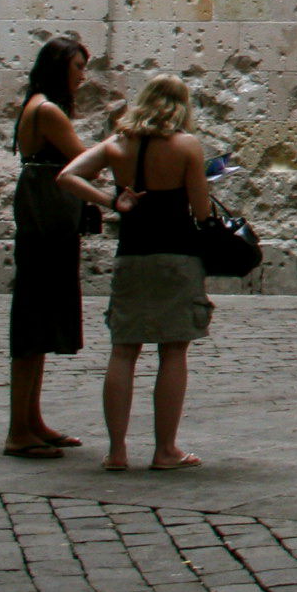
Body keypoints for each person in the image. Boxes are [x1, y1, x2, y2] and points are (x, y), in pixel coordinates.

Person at [61, 74, 213, 471]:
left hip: (132, 254)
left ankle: (116, 451)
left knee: (123, 349)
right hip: (177, 255)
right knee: (173, 349)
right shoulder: (186, 146)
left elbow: (68, 176)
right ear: (181, 106)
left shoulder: (117, 145)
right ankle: (165, 450)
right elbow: (201, 211)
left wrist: (113, 200)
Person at [6, 35, 98, 458]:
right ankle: (17, 430)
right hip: (46, 223)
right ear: (59, 67)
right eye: (77, 67)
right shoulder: (48, 110)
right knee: (32, 320)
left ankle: (32, 420)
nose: (82, 76)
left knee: (37, 321)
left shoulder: (39, 104)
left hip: (43, 218)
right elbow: (83, 160)